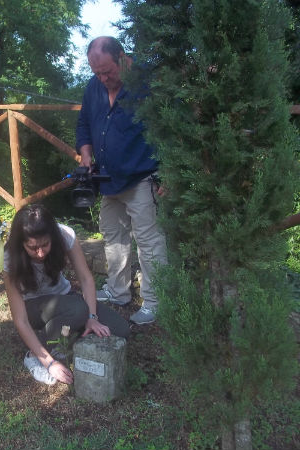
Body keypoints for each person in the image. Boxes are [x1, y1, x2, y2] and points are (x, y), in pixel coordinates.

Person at [76, 36, 167, 325]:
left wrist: (169, 171)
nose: (103, 78)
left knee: (150, 242)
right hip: (108, 180)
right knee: (113, 236)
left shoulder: (148, 81)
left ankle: (155, 303)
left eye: (108, 72)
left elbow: (172, 126)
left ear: (123, 58)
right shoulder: (94, 86)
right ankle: (118, 292)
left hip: (143, 177)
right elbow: (84, 126)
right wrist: (86, 155)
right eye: (97, 73)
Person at [3, 204, 130, 385]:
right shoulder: (9, 256)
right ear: (21, 244)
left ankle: (66, 333)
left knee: (120, 330)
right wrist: (50, 364)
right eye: (32, 247)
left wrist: (92, 317)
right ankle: (36, 355)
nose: (40, 253)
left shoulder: (65, 235)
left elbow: (86, 279)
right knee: (77, 310)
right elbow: (20, 319)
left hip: (66, 300)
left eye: (45, 245)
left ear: (52, 237)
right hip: (33, 308)